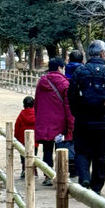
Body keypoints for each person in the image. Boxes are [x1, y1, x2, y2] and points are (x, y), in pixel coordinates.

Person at [67, 39, 105, 194]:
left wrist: (76, 113)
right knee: (100, 154)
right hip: (103, 122)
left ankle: (84, 177)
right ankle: (97, 186)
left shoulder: (80, 72)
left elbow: (71, 95)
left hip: (83, 120)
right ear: (103, 53)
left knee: (81, 151)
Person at [34, 57, 74, 186]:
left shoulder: (41, 82)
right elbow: (68, 107)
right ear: (59, 68)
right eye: (63, 68)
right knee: (61, 149)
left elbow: (37, 103)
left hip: (45, 122)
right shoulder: (64, 84)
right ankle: (60, 176)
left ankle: (48, 175)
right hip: (60, 123)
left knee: (47, 150)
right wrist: (71, 125)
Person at [14, 96, 37, 178]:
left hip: (23, 138)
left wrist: (16, 137)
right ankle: (34, 170)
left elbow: (17, 126)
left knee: (23, 155)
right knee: (34, 154)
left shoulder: (22, 114)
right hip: (34, 139)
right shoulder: (37, 114)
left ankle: (24, 169)